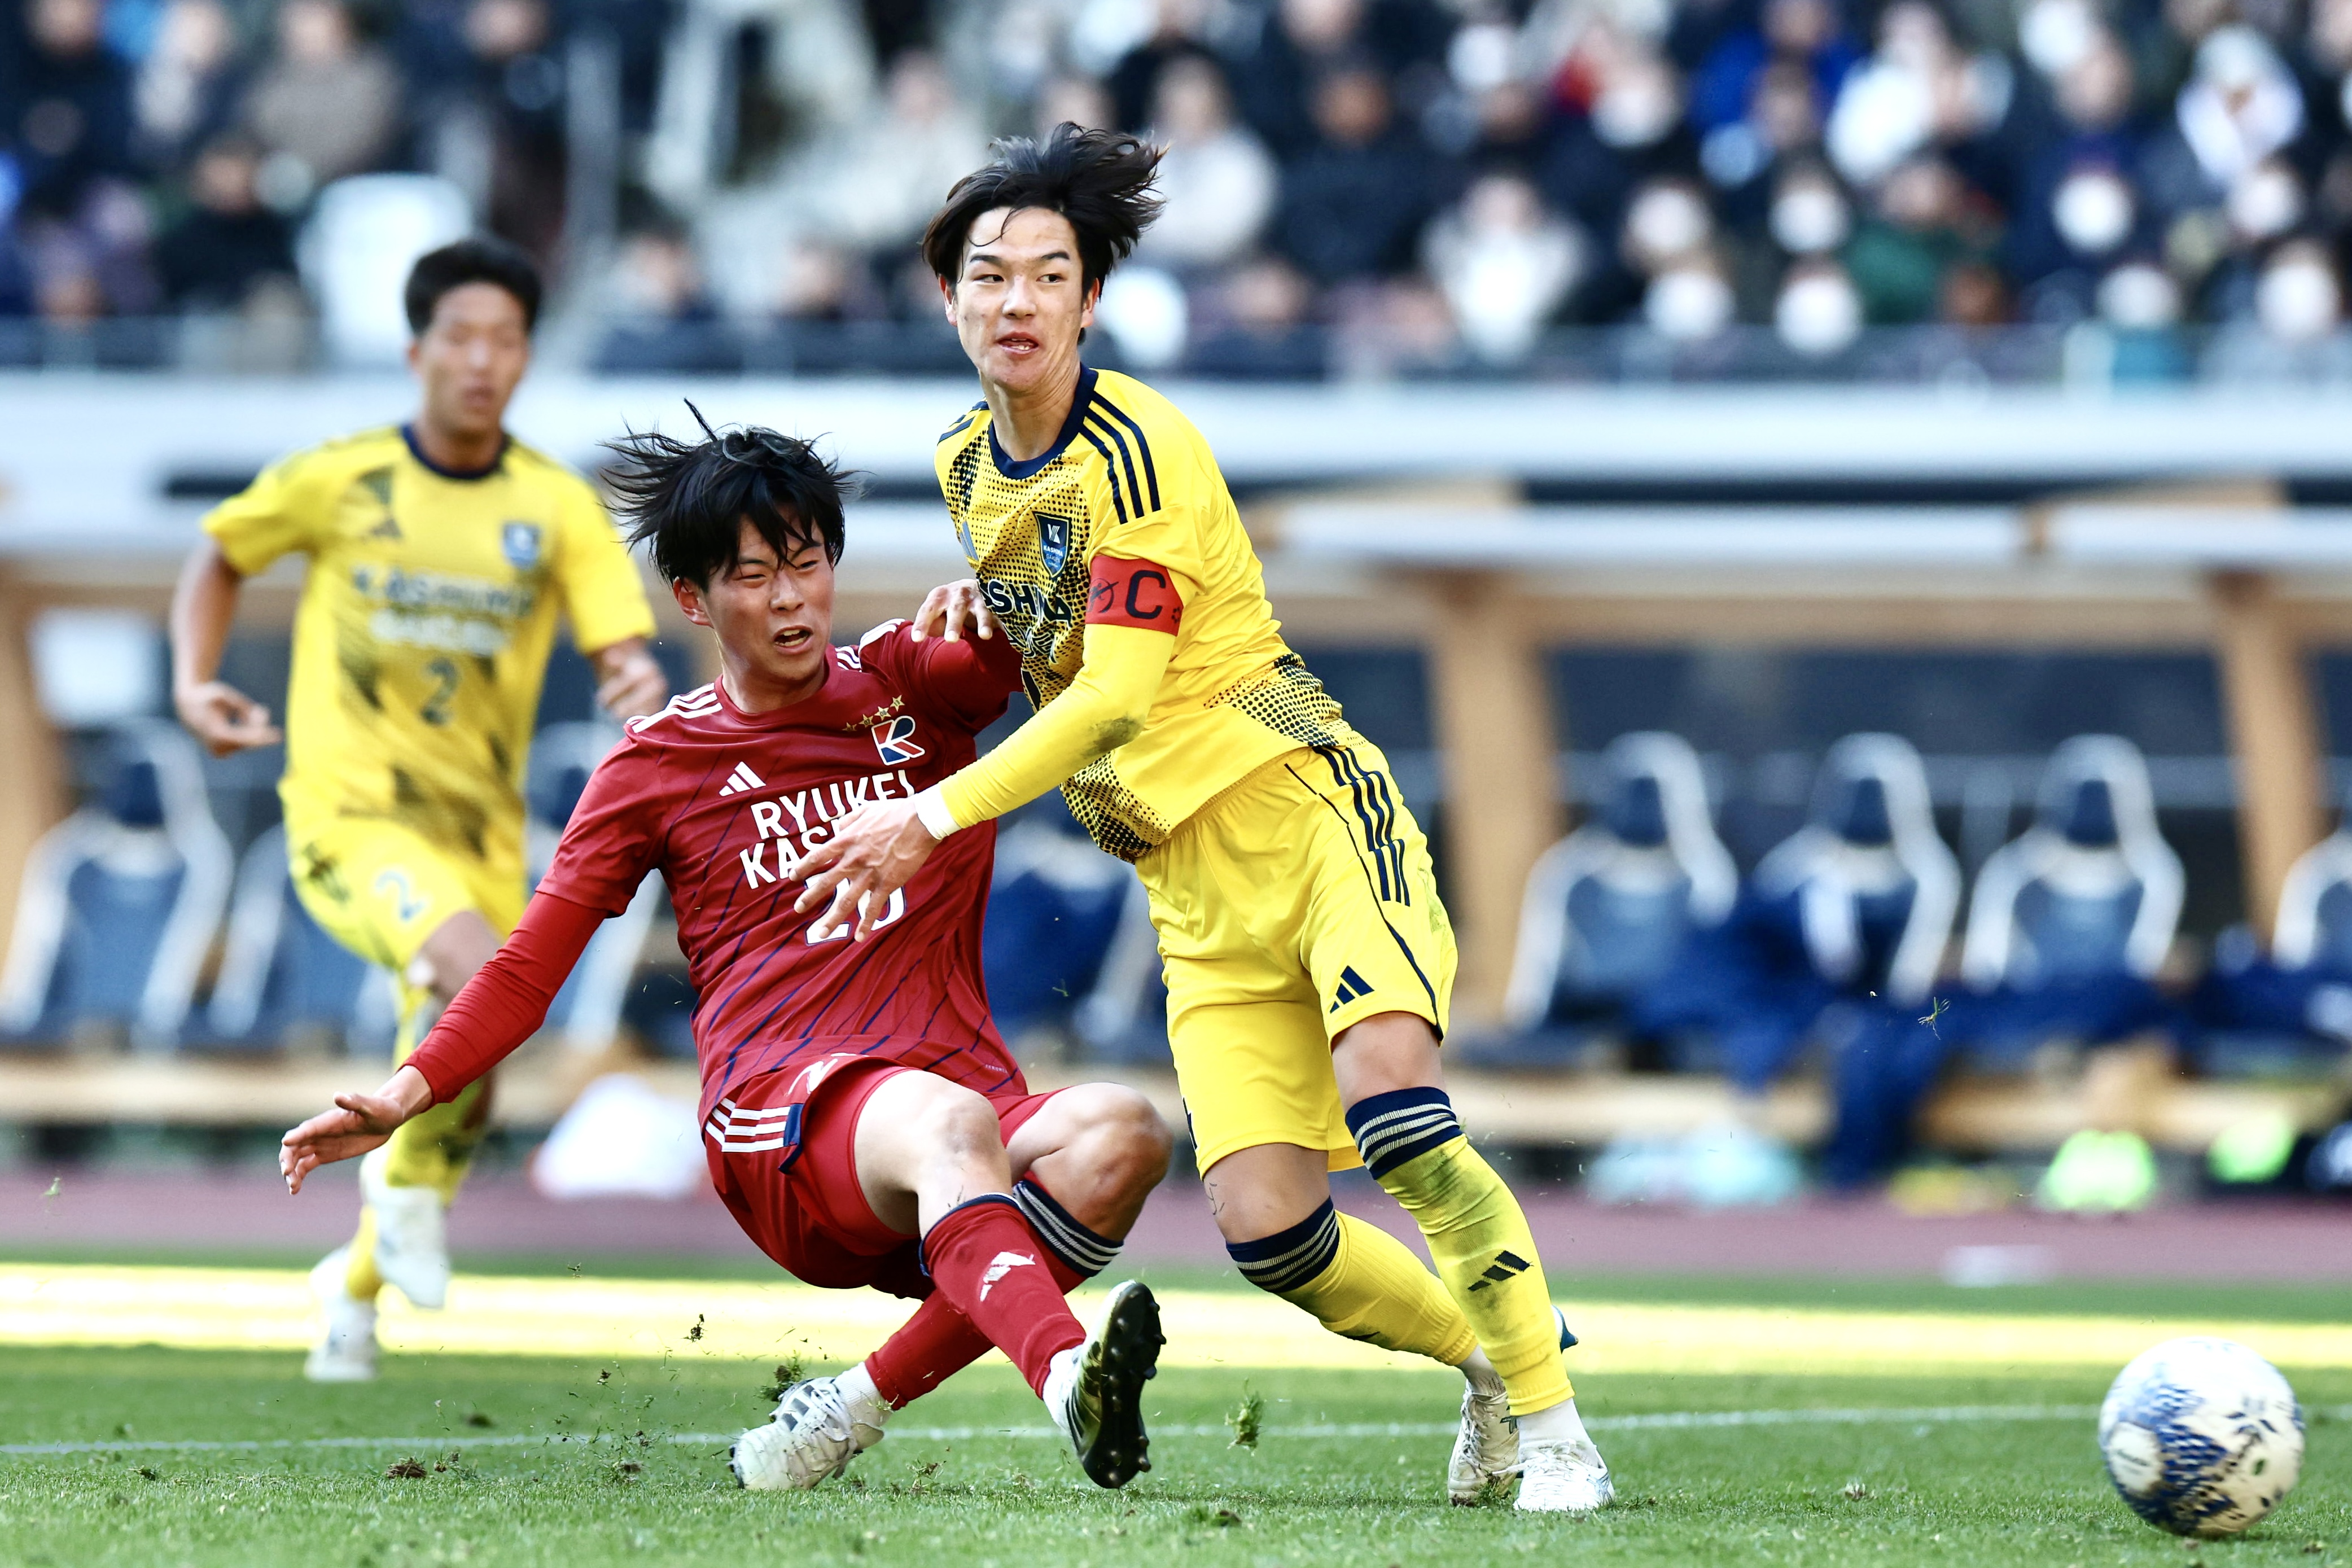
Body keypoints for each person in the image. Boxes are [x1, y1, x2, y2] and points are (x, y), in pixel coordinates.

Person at [795, 124, 1611, 1513]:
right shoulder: (964, 465)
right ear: (946, 298)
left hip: (1301, 813)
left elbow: (1115, 696)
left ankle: (1558, 1430)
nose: (1013, 301)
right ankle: (1492, 1368)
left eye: (1045, 275)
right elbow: (1048, 640)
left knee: (1402, 1121)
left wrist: (926, 819)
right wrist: (968, 625)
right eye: (986, 275)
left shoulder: (1138, 445)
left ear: (1087, 301)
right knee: (1270, 1231)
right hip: (1187, 890)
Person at [277, 417, 1173, 1492]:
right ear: (694, 600)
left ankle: (841, 1411)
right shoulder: (653, 769)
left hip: (954, 1119)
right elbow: (527, 966)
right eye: (753, 576)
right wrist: (402, 1093)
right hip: (782, 1123)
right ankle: (1072, 1373)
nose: (791, 598)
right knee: (952, 1121)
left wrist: (989, 620)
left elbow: (980, 676)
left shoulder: (902, 687)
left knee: (1124, 1131)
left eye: (806, 563)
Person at [169, 237, 671, 1382]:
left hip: (481, 837)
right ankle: (399, 1199)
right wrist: (195, 680)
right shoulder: (343, 478)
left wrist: (631, 679)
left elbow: (620, 640)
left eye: (505, 341)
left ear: (526, 358)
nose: (482, 361)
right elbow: (218, 552)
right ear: (416, 351)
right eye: (461, 338)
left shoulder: (549, 503)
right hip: (350, 818)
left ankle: (353, 1283)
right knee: (466, 973)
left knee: (477, 1043)